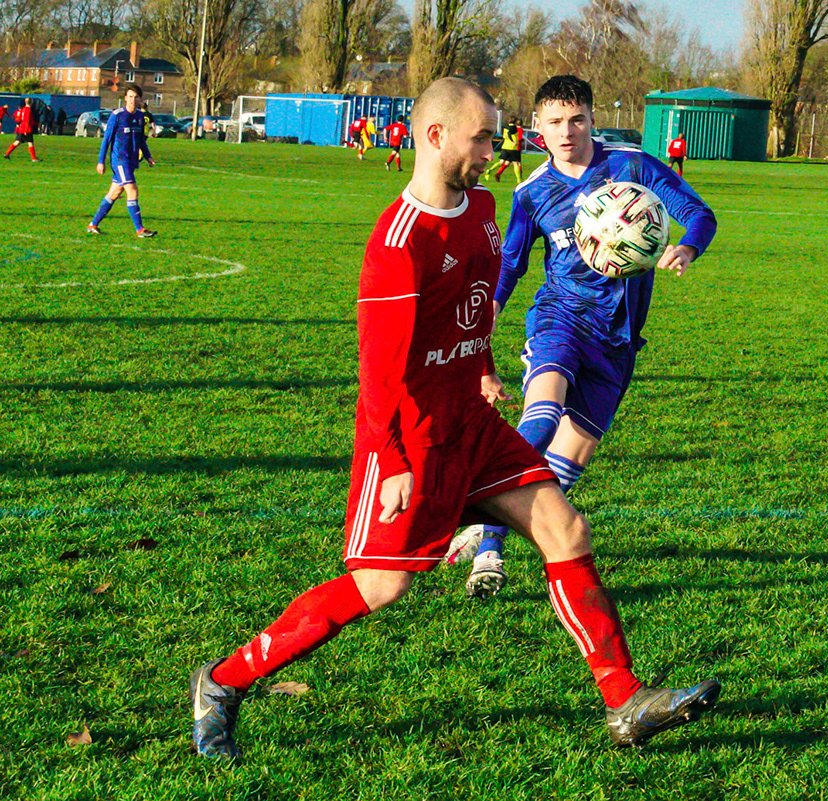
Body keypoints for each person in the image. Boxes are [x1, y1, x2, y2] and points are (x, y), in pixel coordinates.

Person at [187, 76, 720, 762]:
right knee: (383, 585)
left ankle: (624, 699)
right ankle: (222, 682)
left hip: (473, 421)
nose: (492, 148)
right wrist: (396, 461)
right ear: (436, 137)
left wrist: (486, 365)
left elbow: (476, 306)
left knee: (565, 525)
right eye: (480, 136)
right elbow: (379, 371)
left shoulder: (485, 209)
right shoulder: (397, 242)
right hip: (414, 436)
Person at [450, 75, 717, 599]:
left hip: (618, 340)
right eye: (554, 123)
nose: (567, 131)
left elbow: (698, 213)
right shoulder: (532, 194)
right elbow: (511, 264)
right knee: (542, 417)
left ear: (593, 120)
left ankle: (484, 520)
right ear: (537, 130)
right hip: (560, 319)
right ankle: (489, 551)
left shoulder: (633, 167)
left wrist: (687, 247)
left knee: (562, 471)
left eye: (576, 120)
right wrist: (489, 318)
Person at [87, 84, 156, 238]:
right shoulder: (117, 115)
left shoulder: (139, 117)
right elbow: (106, 140)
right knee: (132, 190)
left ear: (140, 99)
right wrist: (100, 161)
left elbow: (141, 141)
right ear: (125, 98)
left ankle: (93, 224)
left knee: (114, 192)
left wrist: (148, 156)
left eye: (136, 97)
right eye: (130, 97)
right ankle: (140, 229)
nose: (133, 100)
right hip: (119, 160)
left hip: (131, 161)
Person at [483, 118, 523, 183]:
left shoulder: (505, 129)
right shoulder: (514, 128)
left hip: (505, 147)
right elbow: (510, 133)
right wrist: (513, 141)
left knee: (502, 162)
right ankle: (519, 180)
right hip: (512, 148)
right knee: (516, 163)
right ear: (515, 122)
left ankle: (490, 170)